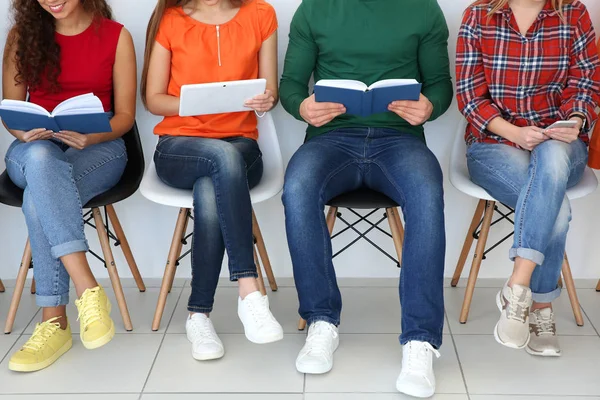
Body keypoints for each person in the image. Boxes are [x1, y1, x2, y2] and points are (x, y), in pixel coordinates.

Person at [280, 0, 453, 397]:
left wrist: (429, 106)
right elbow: (291, 85)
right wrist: (303, 106)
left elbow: (440, 85)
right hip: (331, 140)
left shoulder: (424, 9)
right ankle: (322, 320)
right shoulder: (314, 9)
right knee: (297, 188)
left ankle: (419, 340)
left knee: (427, 192)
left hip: (399, 141)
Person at [456, 0, 600, 357]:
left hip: (560, 143)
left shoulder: (573, 13)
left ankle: (518, 288)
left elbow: (586, 84)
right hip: (495, 143)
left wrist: (575, 123)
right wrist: (515, 134)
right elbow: (470, 96)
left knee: (551, 158)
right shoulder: (479, 15)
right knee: (558, 211)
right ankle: (541, 307)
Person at [142, 0, 283, 361]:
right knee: (219, 159)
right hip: (179, 147)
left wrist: (267, 99)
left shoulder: (261, 14)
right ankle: (249, 290)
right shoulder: (170, 20)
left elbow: (271, 94)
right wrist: (200, 103)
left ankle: (198, 315)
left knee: (212, 184)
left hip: (242, 144)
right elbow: (153, 99)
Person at [2, 0, 137, 371]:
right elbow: (11, 111)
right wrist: (25, 133)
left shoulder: (116, 37)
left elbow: (125, 115)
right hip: (32, 149)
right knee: (43, 162)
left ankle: (54, 322)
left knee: (39, 198)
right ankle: (87, 289)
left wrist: (90, 138)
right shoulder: (21, 37)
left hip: (99, 149)